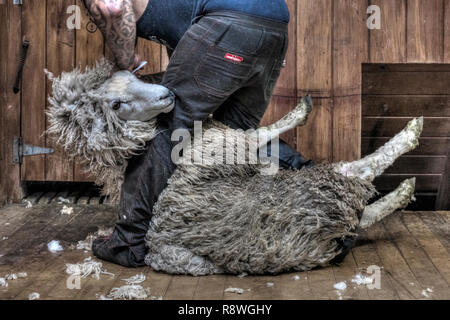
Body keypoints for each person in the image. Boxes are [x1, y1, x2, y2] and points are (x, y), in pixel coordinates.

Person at [82, 0, 313, 267]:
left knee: (165, 127)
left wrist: (123, 63)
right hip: (272, 24)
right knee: (233, 138)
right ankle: (318, 185)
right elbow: (189, 42)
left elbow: (111, 7)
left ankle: (127, 242)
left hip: (228, 22)